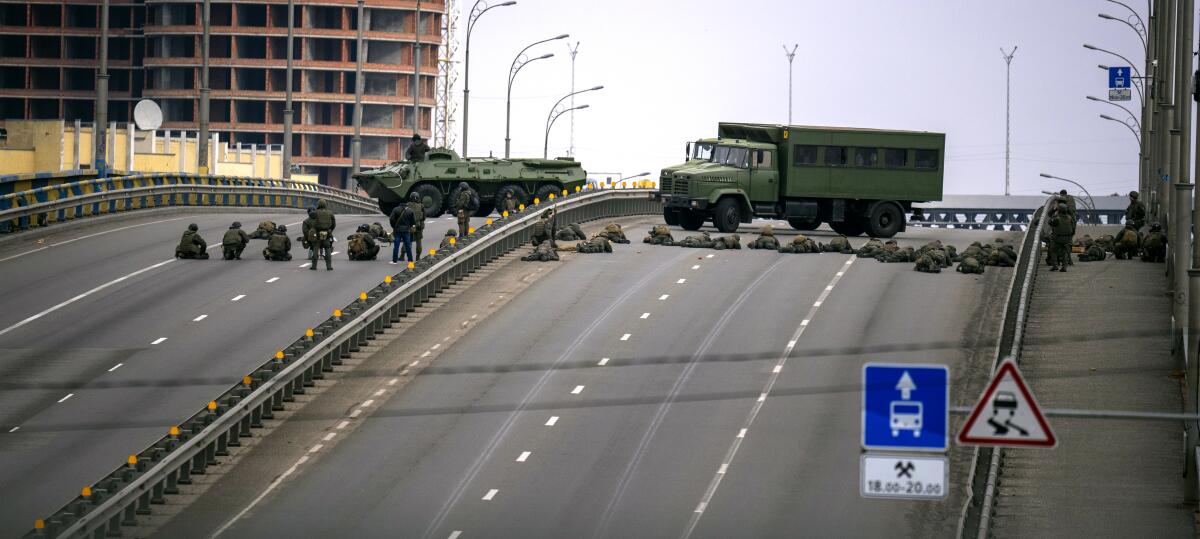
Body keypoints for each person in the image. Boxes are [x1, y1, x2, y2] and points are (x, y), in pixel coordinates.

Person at [1047, 202, 1074, 272]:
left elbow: (1049, 222)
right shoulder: (1069, 218)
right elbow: (1073, 228)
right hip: (1068, 238)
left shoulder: (1056, 218)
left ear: (1059, 210)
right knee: (1064, 252)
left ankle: (1055, 266)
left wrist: (1054, 210)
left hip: (1058, 239)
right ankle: (1064, 267)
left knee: (1053, 251)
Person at [389, 198, 416, 264]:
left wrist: (394, 227)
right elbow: (413, 222)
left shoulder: (395, 209)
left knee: (396, 246)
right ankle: (410, 260)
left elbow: (391, 219)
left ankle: (394, 261)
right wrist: (409, 226)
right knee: (408, 246)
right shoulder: (410, 210)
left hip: (398, 231)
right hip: (406, 231)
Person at [311, 199, 336, 270]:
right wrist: (330, 230)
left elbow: (311, 219)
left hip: (318, 233)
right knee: (327, 248)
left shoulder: (316, 212)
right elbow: (334, 224)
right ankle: (329, 266)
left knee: (316, 248)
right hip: (327, 233)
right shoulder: (330, 213)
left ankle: (314, 266)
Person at [406, 192, 426, 261]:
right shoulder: (421, 206)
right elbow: (424, 217)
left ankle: (403, 255)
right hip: (419, 226)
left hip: (410, 226)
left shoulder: (407, 205)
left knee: (408, 240)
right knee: (419, 241)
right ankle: (418, 257)